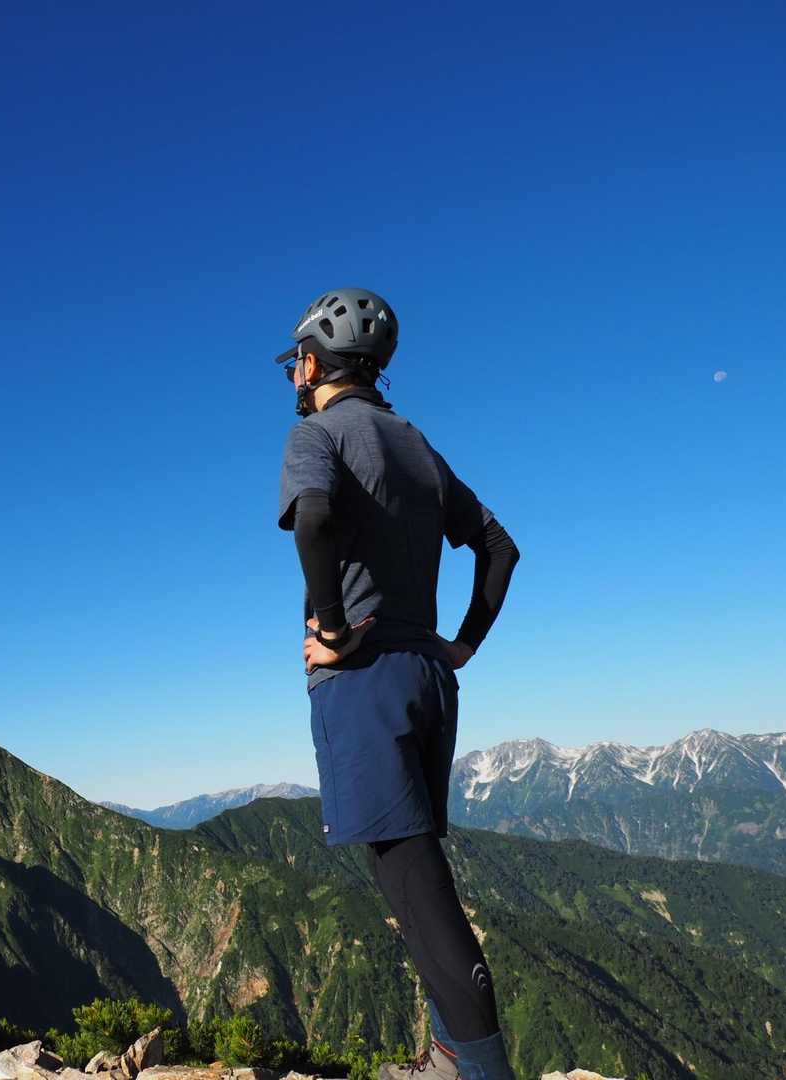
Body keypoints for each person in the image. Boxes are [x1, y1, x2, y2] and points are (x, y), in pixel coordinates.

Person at [273, 288, 522, 1080]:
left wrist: (331, 629)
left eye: (297, 362)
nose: (295, 376)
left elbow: (315, 518)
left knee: (415, 891)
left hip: (366, 684)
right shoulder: (415, 444)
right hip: (428, 680)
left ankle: (479, 1071)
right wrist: (462, 647)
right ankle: (449, 1056)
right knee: (420, 876)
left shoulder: (316, 435)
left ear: (316, 362)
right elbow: (499, 548)